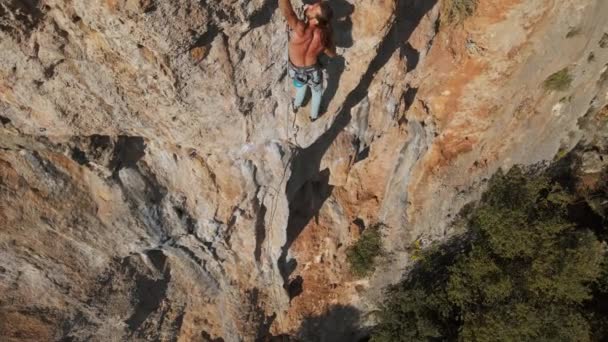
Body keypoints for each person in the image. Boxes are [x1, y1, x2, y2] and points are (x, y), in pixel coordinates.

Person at [279, 0, 336, 121]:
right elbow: (332, 54)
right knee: (316, 92)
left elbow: (288, 13)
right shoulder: (323, 37)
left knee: (301, 87)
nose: (309, 6)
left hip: (296, 69)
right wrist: (329, 35)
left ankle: (296, 105)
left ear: (315, 20)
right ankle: (313, 116)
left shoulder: (300, 29)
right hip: (313, 70)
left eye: (312, 9)